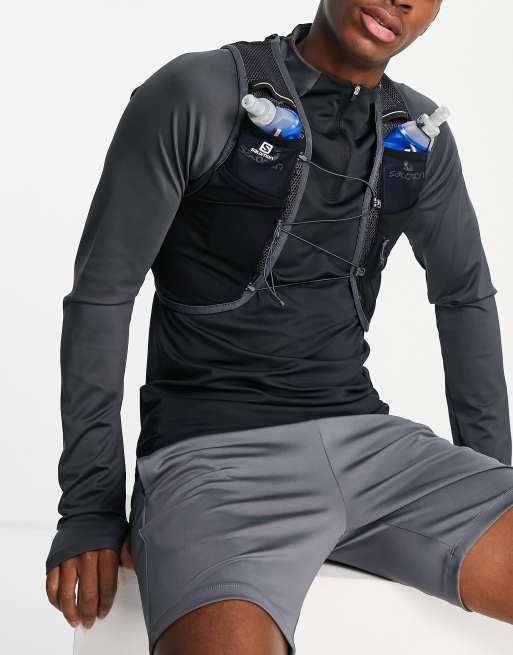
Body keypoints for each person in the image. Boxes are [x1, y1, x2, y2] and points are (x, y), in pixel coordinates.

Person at [46, 2, 513, 654]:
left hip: (375, 452)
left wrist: (489, 483)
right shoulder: (196, 93)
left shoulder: (416, 134)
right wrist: (90, 506)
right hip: (210, 460)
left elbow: (464, 298)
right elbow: (103, 295)